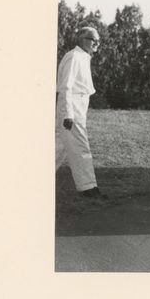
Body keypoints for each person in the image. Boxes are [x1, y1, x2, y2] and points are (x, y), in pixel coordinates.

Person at [55, 26, 105, 199]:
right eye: (93, 39)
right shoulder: (74, 57)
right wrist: (68, 114)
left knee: (58, 149)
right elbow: (66, 86)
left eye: (98, 40)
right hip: (72, 109)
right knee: (82, 148)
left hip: (79, 108)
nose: (97, 43)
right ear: (82, 39)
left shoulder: (83, 57)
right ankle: (89, 188)